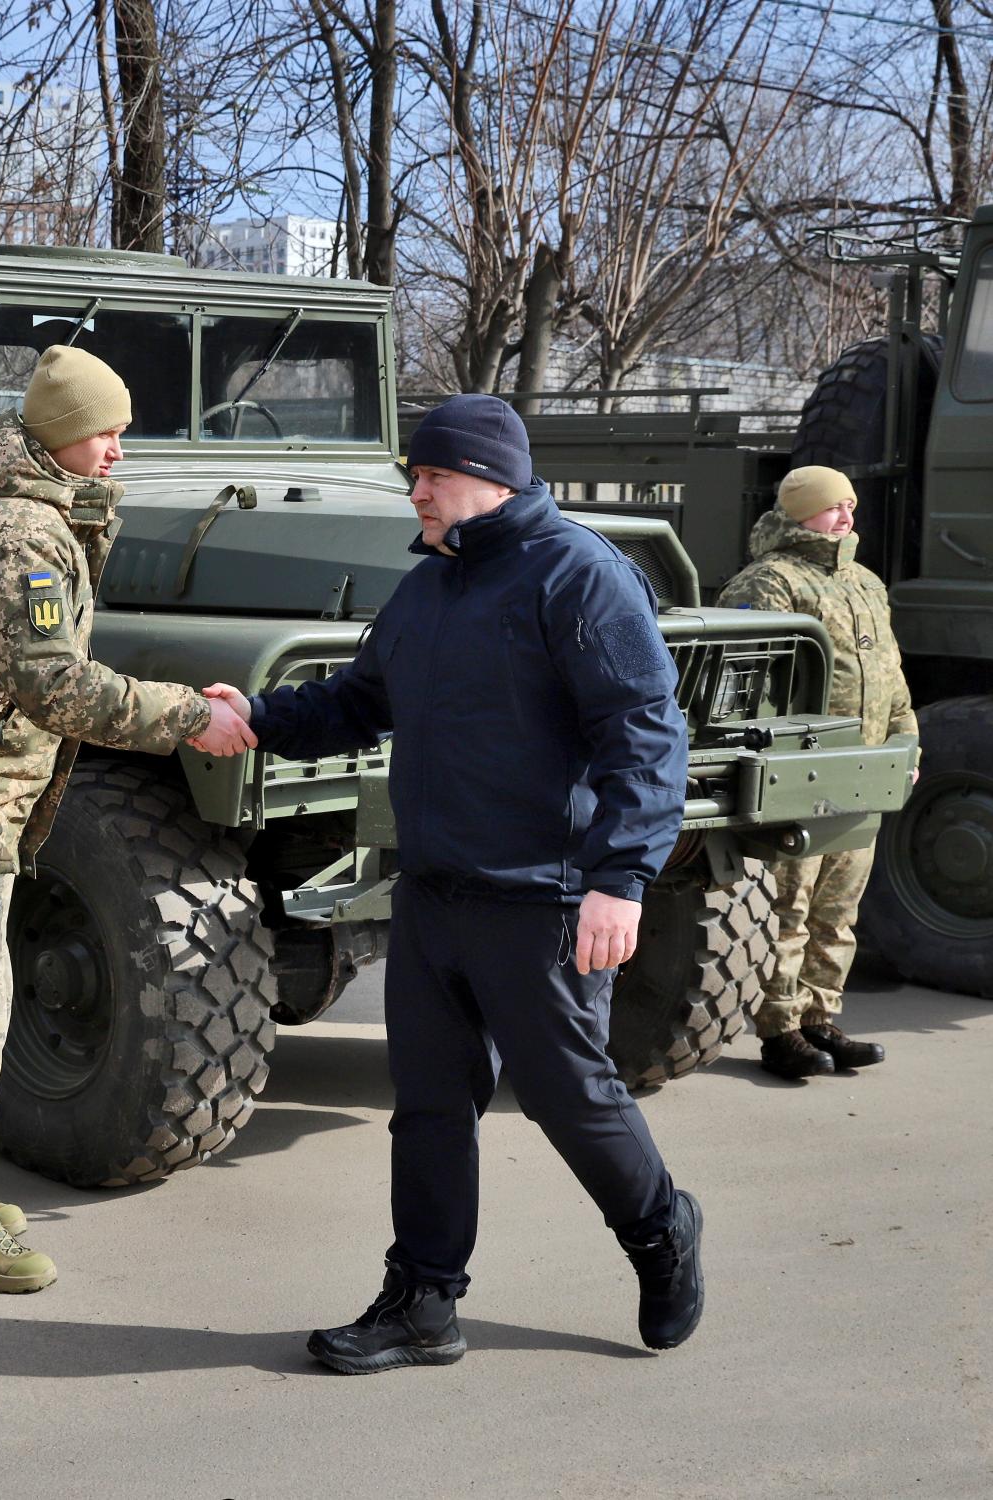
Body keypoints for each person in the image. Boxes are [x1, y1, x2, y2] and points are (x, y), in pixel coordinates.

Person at [202, 393, 704, 1371]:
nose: (415, 492)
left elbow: (643, 734)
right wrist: (257, 716)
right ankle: (425, 1301)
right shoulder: (428, 588)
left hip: (544, 901)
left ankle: (660, 1227)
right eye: (414, 476)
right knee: (429, 1106)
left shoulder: (580, 576)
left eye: (429, 476)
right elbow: (355, 704)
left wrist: (620, 877)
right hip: (433, 894)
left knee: (571, 1099)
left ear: (488, 476)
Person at [0, 345, 254, 1294]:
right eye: (103, 433)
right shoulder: (21, 532)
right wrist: (193, 716)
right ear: (60, 436)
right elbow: (49, 683)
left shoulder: (16, 513)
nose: (117, 450)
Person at [716, 466, 917, 1080]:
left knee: (838, 909)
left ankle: (819, 1017)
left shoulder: (865, 583)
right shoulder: (769, 582)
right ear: (802, 512)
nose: (847, 517)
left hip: (864, 770)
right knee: (788, 906)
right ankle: (780, 1030)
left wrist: (906, 742)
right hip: (803, 775)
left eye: (851, 505)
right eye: (835, 507)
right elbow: (743, 684)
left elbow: (892, 676)